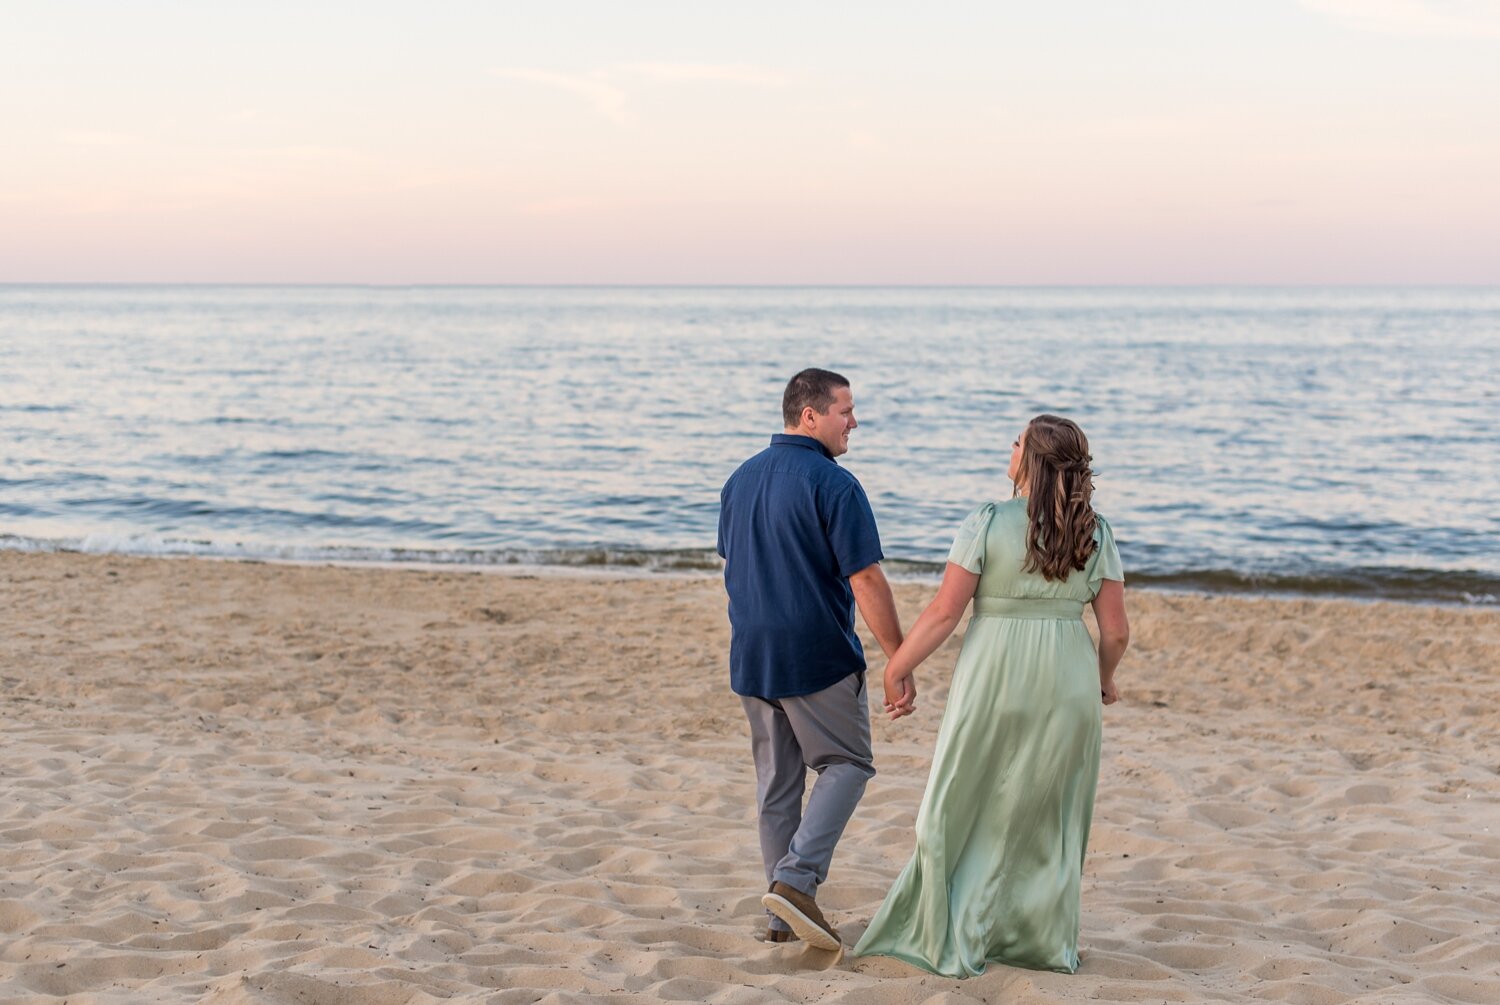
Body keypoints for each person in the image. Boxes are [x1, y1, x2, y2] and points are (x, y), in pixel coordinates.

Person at [852, 414, 1129, 976]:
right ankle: (1037, 941)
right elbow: (1117, 631)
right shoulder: (1095, 532)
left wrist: (896, 666)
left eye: (1017, 442)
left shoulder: (987, 521)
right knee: (1046, 814)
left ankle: (955, 924)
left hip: (995, 674)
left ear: (1031, 461)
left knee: (960, 800)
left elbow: (944, 613)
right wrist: (1103, 676)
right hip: (1068, 676)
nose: (1010, 448)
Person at [717, 368, 904, 950]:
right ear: (810, 416)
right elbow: (867, 578)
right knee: (848, 763)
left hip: (752, 652)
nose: (855, 421)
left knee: (777, 785)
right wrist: (900, 656)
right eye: (846, 411)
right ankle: (796, 884)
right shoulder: (835, 484)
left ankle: (781, 919)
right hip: (815, 652)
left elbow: (732, 563)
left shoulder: (740, 478)